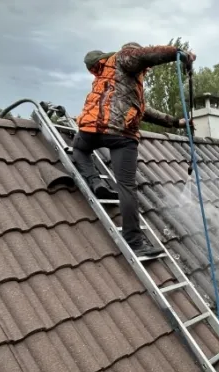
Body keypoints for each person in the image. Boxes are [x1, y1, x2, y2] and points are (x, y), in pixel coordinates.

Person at [72, 42, 196, 257]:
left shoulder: (111, 77)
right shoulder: (125, 57)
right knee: (127, 187)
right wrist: (179, 54)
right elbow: (146, 55)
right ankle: (134, 241)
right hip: (122, 136)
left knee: (80, 149)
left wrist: (177, 123)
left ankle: (95, 181)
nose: (145, 71)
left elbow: (143, 111)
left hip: (92, 128)